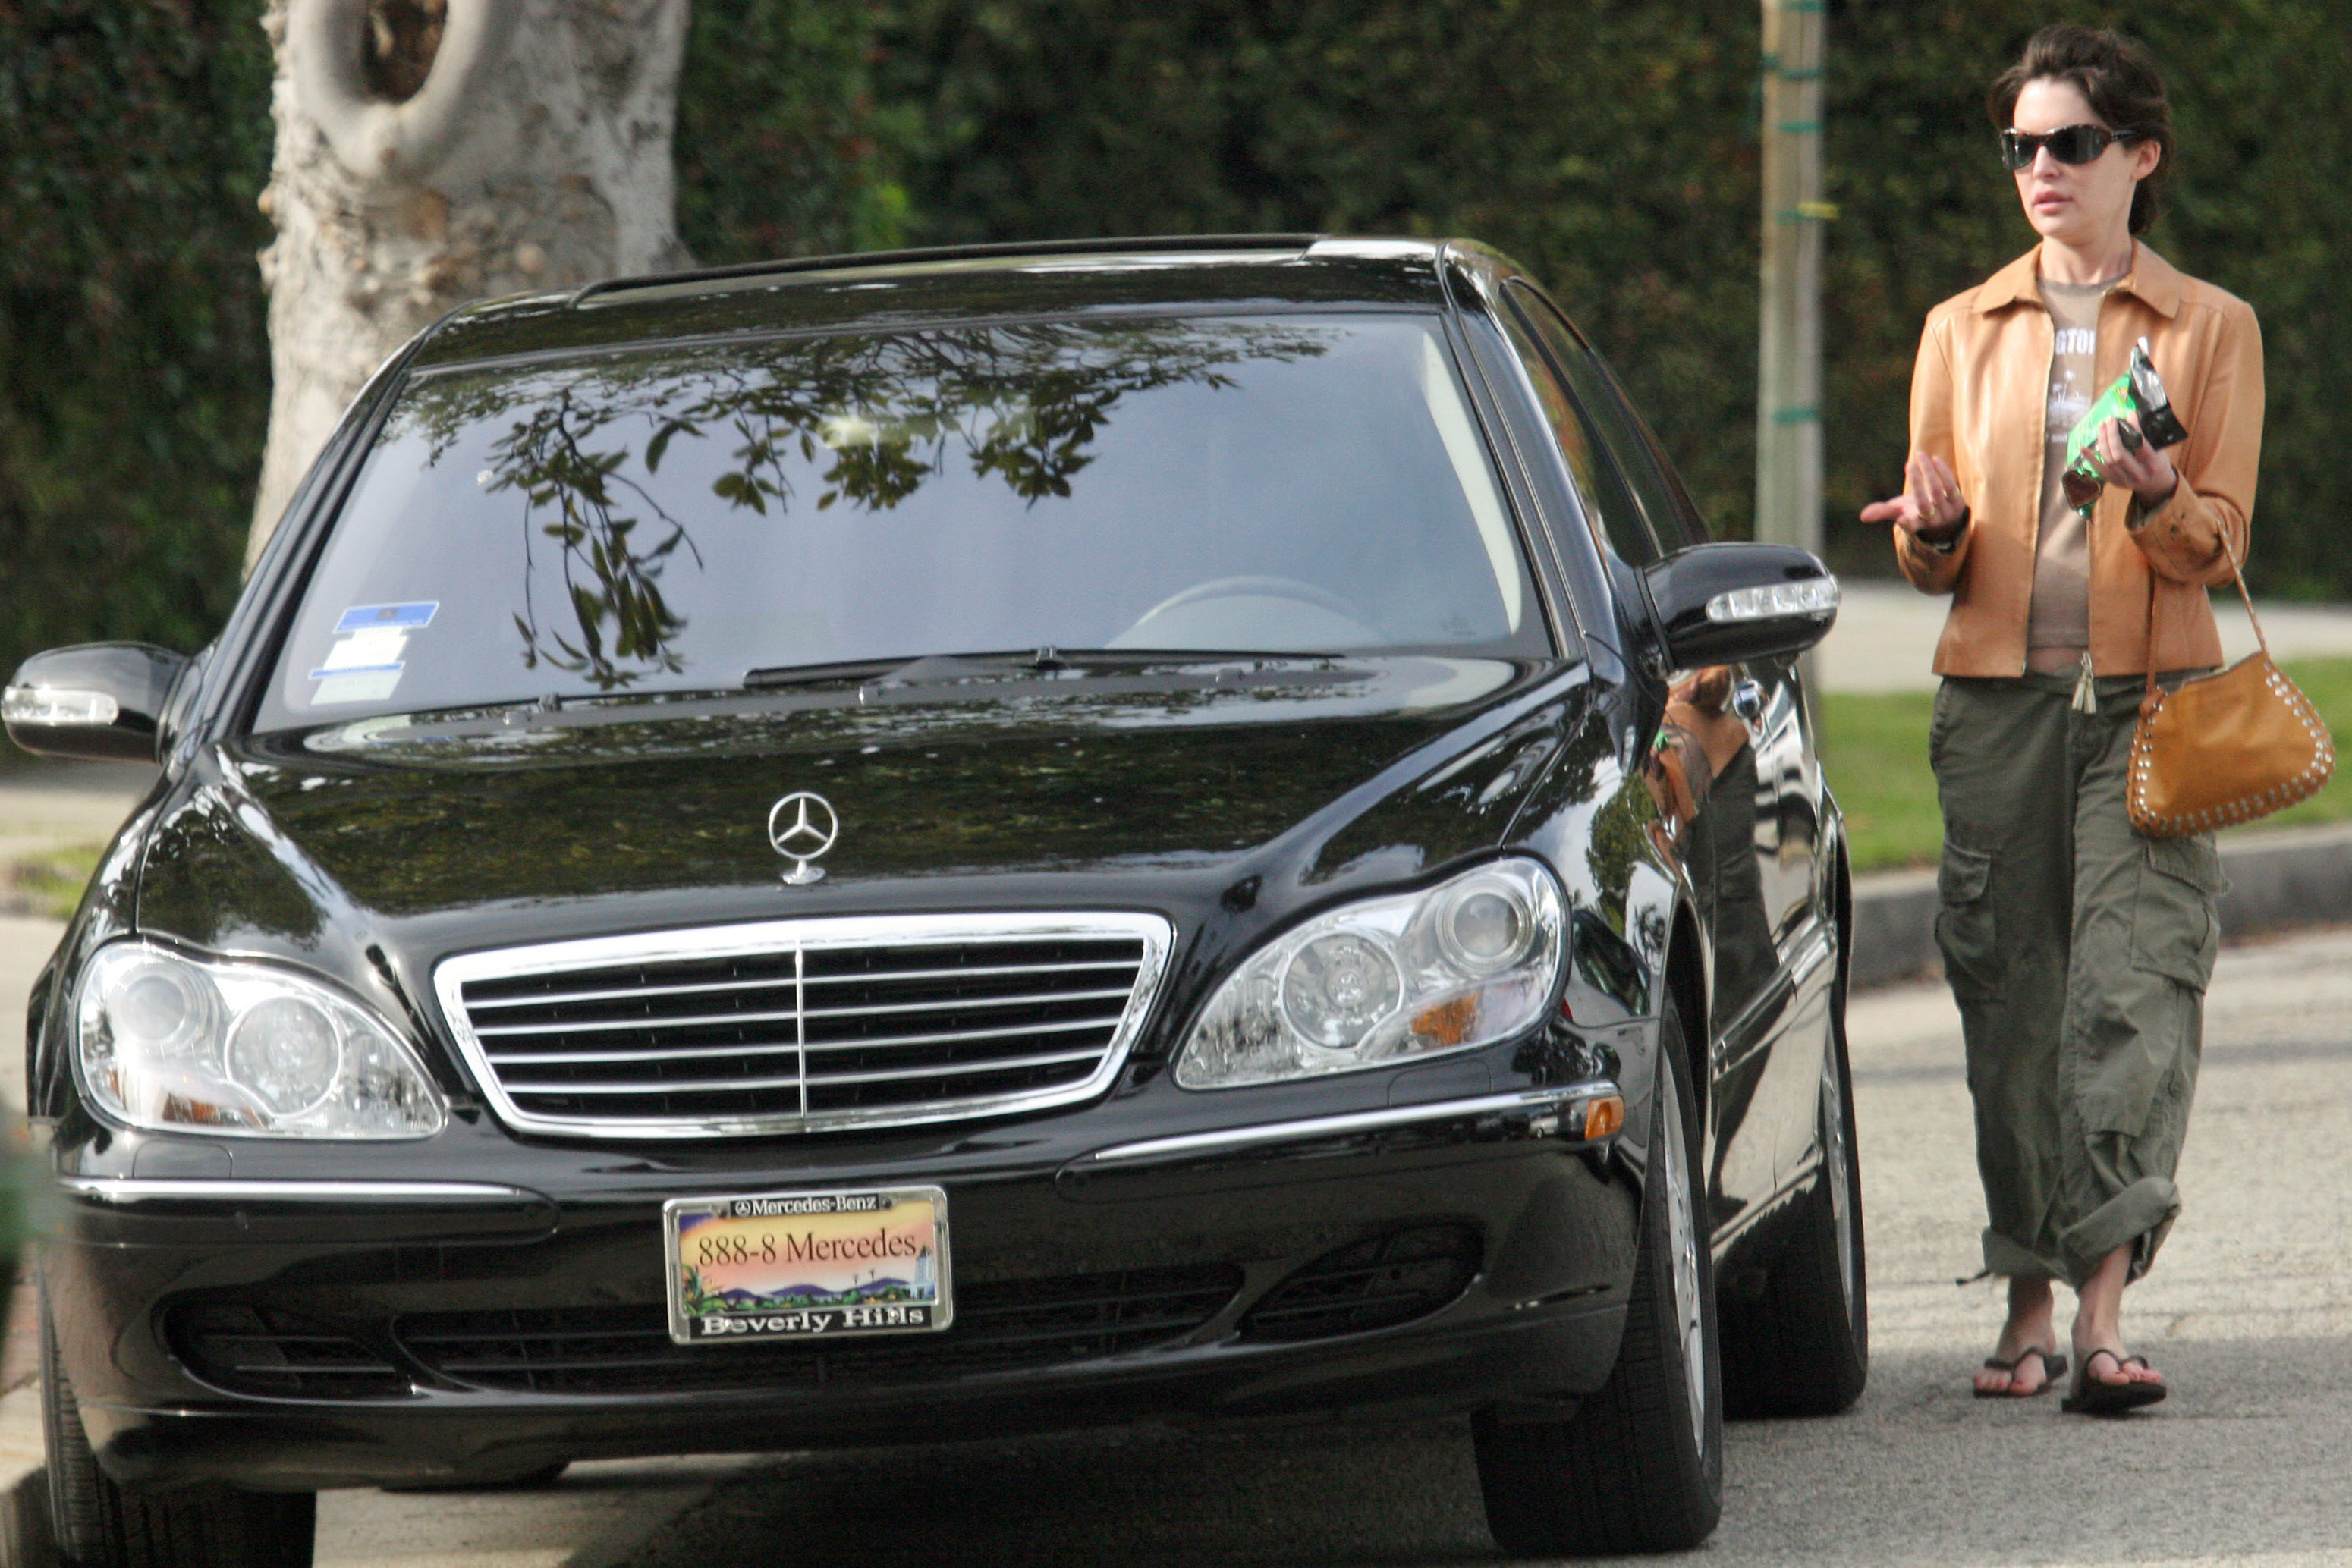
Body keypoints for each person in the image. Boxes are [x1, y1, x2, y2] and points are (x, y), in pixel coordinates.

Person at [1859, 24, 2263, 1413]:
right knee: (2010, 1004)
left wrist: (2157, 497)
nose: (2041, 167)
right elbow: (1933, 551)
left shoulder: (2213, 328)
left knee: (2134, 996)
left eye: (2072, 143)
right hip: (1995, 709)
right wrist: (1931, 533)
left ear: (2139, 158)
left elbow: (2219, 541)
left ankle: (2101, 1315)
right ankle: (2025, 1297)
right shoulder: (1958, 330)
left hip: (2154, 704)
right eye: (2023, 144)